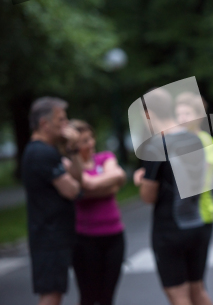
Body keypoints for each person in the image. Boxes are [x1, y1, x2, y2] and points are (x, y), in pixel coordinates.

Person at [133, 87, 213, 305]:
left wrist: (141, 181)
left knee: (178, 296)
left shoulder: (154, 145)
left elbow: (149, 196)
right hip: (195, 222)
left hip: (169, 229)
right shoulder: (194, 139)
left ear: (147, 113)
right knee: (198, 290)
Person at [21, 97, 84, 305]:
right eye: (61, 120)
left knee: (55, 291)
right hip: (49, 236)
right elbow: (73, 189)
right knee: (51, 294)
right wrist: (76, 186)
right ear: (44, 124)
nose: (66, 125)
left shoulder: (45, 152)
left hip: (52, 235)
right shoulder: (41, 153)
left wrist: (73, 149)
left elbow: (77, 177)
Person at [69, 119, 127, 305]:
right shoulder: (68, 166)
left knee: (107, 297)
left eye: (91, 138)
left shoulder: (105, 157)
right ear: (74, 147)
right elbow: (86, 184)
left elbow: (118, 176)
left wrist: (91, 188)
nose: (91, 143)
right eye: (84, 141)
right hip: (86, 239)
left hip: (114, 236)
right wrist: (107, 185)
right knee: (88, 297)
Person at [175, 92, 213, 226]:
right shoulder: (176, 141)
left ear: (199, 116)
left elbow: (201, 174)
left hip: (202, 212)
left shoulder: (205, 141)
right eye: (178, 114)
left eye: (187, 114)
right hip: (179, 213)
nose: (182, 118)